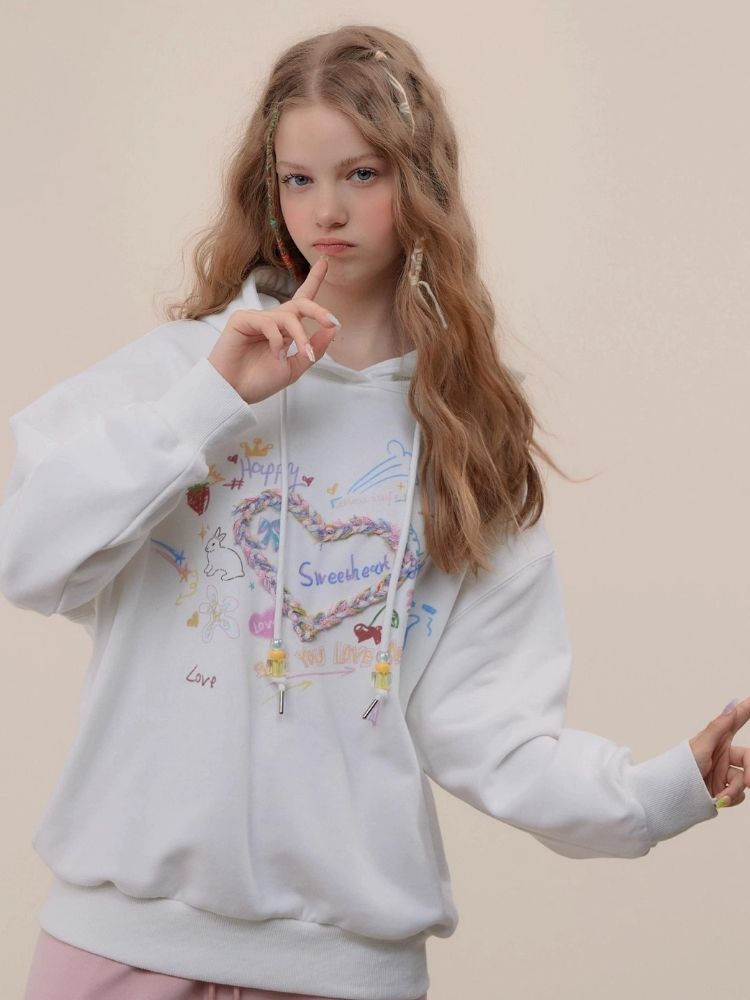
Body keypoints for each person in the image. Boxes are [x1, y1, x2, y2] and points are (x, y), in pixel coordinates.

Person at [3, 22, 748, 1000]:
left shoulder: (464, 433)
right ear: (268, 188)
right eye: (299, 179)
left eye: (362, 174)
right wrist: (210, 402)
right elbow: (28, 559)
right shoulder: (181, 373)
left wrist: (659, 792)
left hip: (343, 970)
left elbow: (487, 727)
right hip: (118, 947)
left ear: (420, 181)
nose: (327, 211)